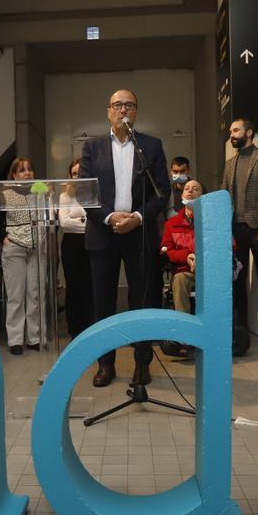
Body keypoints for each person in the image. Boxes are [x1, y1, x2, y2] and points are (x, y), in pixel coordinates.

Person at [82, 88, 170, 387]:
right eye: (117, 105)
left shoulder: (151, 146)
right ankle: (105, 364)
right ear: (108, 111)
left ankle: (141, 364)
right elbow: (85, 193)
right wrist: (109, 217)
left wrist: (137, 218)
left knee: (142, 302)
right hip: (103, 234)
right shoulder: (92, 147)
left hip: (139, 235)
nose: (123, 110)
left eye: (129, 105)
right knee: (102, 302)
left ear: (136, 112)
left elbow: (162, 192)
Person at [221, 118, 258, 347]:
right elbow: (224, 196)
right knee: (237, 281)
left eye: (235, 130)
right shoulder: (229, 163)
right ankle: (240, 328)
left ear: (249, 131)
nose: (232, 134)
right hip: (236, 229)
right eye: (231, 130)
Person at [0, 158, 42, 354]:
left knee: (34, 295)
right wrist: (4, 239)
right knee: (15, 296)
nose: (27, 173)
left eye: (29, 169)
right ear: (13, 175)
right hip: (15, 248)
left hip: (37, 248)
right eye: (21, 170)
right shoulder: (4, 194)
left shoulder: (41, 190)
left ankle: (34, 337)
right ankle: (15, 340)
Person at [59, 158, 93, 338]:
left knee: (91, 286)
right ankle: (74, 328)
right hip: (72, 246)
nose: (78, 176)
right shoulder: (65, 196)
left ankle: (90, 327)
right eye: (74, 173)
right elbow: (64, 223)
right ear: (70, 176)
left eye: (81, 172)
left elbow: (97, 221)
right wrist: (85, 221)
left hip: (92, 244)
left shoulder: (95, 194)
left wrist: (79, 221)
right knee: (74, 287)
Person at [161, 179, 206, 314]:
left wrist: (202, 259)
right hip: (184, 271)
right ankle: (184, 331)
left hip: (209, 272)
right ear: (181, 195)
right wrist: (187, 256)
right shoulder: (172, 223)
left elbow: (230, 246)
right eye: (187, 189)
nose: (190, 191)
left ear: (202, 197)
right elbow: (166, 250)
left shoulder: (211, 220)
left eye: (195, 189)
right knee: (180, 279)